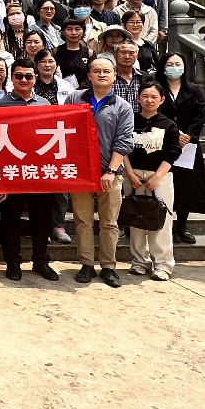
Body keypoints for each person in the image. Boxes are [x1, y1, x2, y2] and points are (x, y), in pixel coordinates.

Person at [66, 54, 135, 288]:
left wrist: (112, 171)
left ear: (115, 75)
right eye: (96, 71)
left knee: (109, 222)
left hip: (110, 173)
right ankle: (86, 264)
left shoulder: (123, 106)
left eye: (106, 71)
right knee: (83, 221)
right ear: (89, 75)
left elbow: (124, 141)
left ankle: (108, 266)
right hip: (80, 172)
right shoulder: (74, 98)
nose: (101, 74)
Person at [0, 59, 60, 281]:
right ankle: (13, 262)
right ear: (11, 78)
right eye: (19, 76)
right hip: (12, 171)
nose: (24, 80)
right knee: (10, 220)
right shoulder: (1, 105)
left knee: (42, 219)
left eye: (28, 76)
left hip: (40, 171)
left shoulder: (45, 104)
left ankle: (41, 260)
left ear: (35, 78)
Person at [126, 81, 182, 281]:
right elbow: (122, 148)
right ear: (138, 98)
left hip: (160, 176)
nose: (149, 100)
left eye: (154, 97)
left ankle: (163, 265)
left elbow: (173, 152)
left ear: (162, 100)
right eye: (145, 96)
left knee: (161, 221)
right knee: (136, 219)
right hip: (133, 176)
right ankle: (139, 261)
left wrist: (157, 177)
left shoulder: (169, 124)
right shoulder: (130, 121)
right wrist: (130, 174)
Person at [157, 53, 205, 244]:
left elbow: (200, 115)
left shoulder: (193, 89)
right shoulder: (157, 88)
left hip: (188, 145)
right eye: (169, 64)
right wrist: (174, 133)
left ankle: (182, 225)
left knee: (186, 185)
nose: (174, 68)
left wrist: (189, 134)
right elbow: (154, 111)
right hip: (163, 142)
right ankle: (165, 225)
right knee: (164, 184)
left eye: (177, 64)